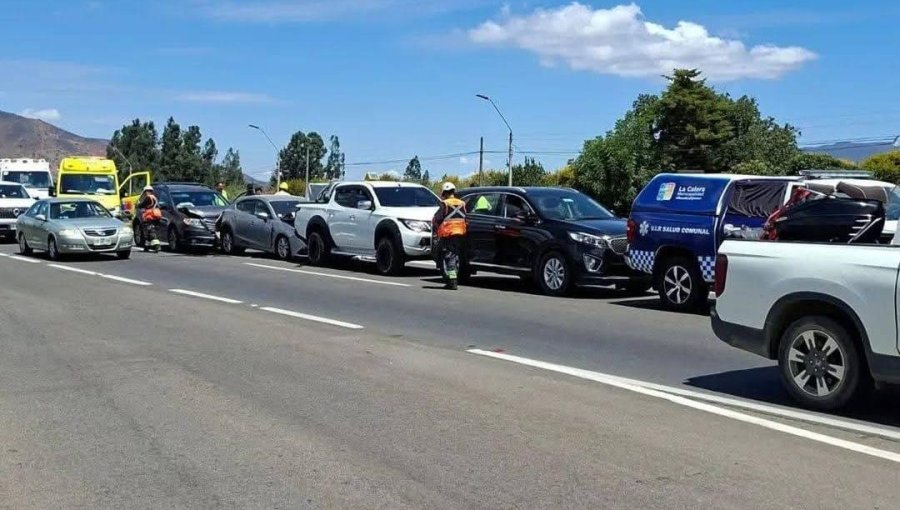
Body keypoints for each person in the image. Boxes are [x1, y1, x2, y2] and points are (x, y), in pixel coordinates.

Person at [432, 182, 468, 290]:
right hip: (460, 234)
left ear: (445, 193)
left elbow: (436, 219)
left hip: (448, 234)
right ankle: (452, 279)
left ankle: (452, 281)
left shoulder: (445, 203)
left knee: (449, 258)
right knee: (455, 256)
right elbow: (466, 218)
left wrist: (436, 232)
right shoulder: (462, 203)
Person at [137, 186, 162, 252]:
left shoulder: (148, 198)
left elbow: (142, 205)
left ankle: (157, 246)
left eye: (145, 192)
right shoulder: (154, 197)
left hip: (150, 217)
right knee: (148, 232)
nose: (145, 193)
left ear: (147, 191)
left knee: (150, 231)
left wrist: (138, 205)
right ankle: (147, 246)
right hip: (155, 217)